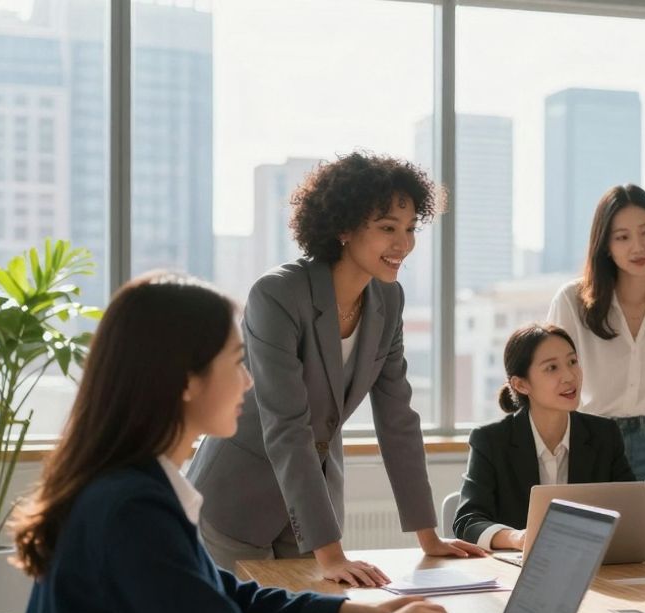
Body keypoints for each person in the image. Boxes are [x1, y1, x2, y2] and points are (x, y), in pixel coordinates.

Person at [12, 273, 459, 613]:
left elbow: (226, 595)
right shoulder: (131, 512)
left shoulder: (127, 489)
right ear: (186, 380)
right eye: (235, 361)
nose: (249, 379)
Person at [187, 152, 485, 590]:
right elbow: (287, 425)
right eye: (387, 228)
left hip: (312, 507)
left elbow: (398, 418)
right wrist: (332, 554)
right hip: (237, 500)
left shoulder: (389, 300)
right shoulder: (277, 294)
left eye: (409, 229)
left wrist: (429, 536)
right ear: (344, 228)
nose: (403, 244)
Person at [547, 184, 645, 483]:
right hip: (587, 440)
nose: (638, 247)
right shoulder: (571, 301)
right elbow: (551, 392)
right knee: (590, 531)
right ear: (605, 244)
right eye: (622, 237)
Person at [453, 324, 636, 550]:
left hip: (592, 568)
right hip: (518, 572)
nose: (569, 376)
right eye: (552, 368)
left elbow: (633, 512)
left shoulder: (604, 435)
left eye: (572, 362)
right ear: (521, 384)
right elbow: (467, 522)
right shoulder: (491, 440)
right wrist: (516, 538)